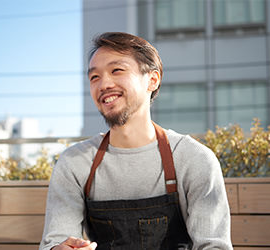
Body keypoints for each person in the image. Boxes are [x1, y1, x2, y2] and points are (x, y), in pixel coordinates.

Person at [39, 32, 233, 250]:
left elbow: (214, 246)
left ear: (152, 79)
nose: (103, 84)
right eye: (94, 77)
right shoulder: (75, 162)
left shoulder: (194, 159)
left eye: (117, 71)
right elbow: (55, 240)